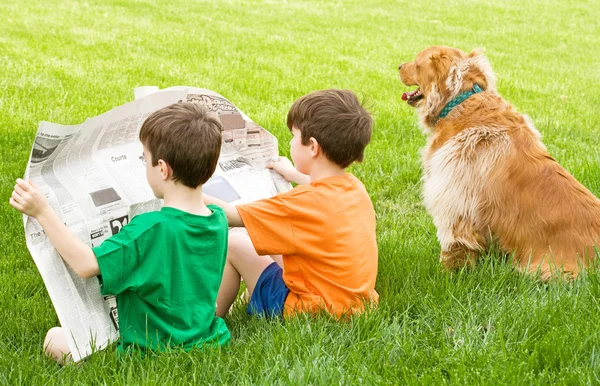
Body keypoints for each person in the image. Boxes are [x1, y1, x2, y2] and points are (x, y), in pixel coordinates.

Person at [10, 102, 230, 364]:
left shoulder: (150, 228)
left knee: (54, 339)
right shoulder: (218, 221)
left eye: (144, 159)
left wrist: (42, 211)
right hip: (205, 341)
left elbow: (86, 264)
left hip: (151, 352)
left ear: (162, 169)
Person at [204, 89, 379, 319]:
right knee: (273, 241)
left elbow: (228, 214)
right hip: (354, 305)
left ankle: (209, 321)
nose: (291, 141)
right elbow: (316, 184)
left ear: (313, 146)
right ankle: (253, 295)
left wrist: (183, 188)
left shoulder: (301, 204)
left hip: (311, 310)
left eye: (294, 136)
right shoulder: (354, 188)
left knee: (236, 241)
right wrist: (292, 173)